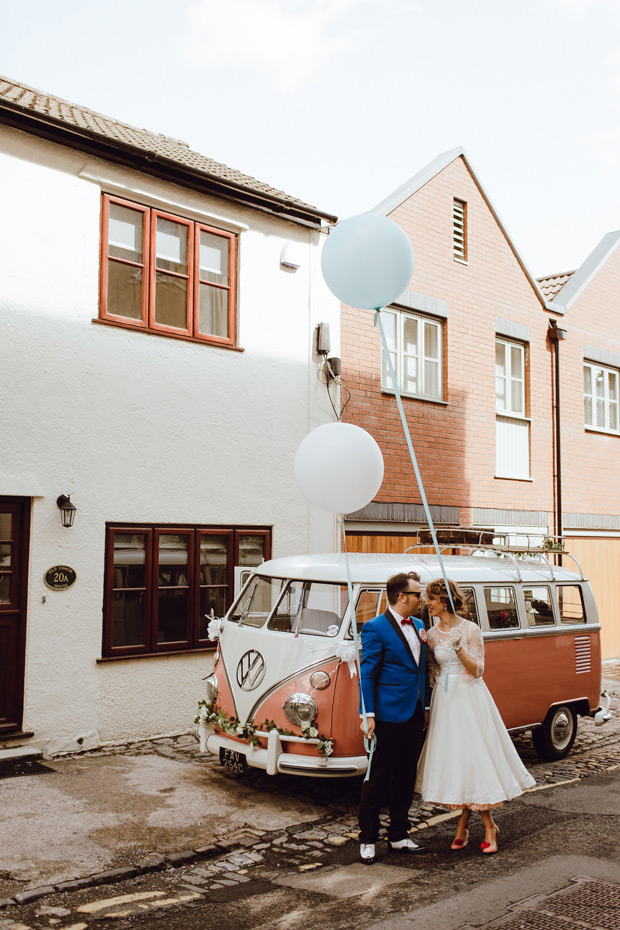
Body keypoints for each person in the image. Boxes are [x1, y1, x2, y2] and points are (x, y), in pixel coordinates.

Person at [415, 578, 535, 855]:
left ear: (444, 600)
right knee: (457, 760)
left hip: (469, 697)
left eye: (431, 599)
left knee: (473, 758)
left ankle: (484, 826)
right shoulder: (430, 634)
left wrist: (459, 647)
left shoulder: (470, 630)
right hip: (445, 700)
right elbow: (431, 673)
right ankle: (466, 825)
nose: (426, 604)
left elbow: (479, 670)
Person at [358, 571, 431, 864]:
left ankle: (399, 835)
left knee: (405, 776)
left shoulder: (421, 624)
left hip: (414, 712)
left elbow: (421, 669)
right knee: (377, 778)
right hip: (386, 715)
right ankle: (367, 839)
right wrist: (368, 714)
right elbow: (368, 673)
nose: (421, 600)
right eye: (417, 595)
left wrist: (424, 708)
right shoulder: (375, 628)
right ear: (402, 597)